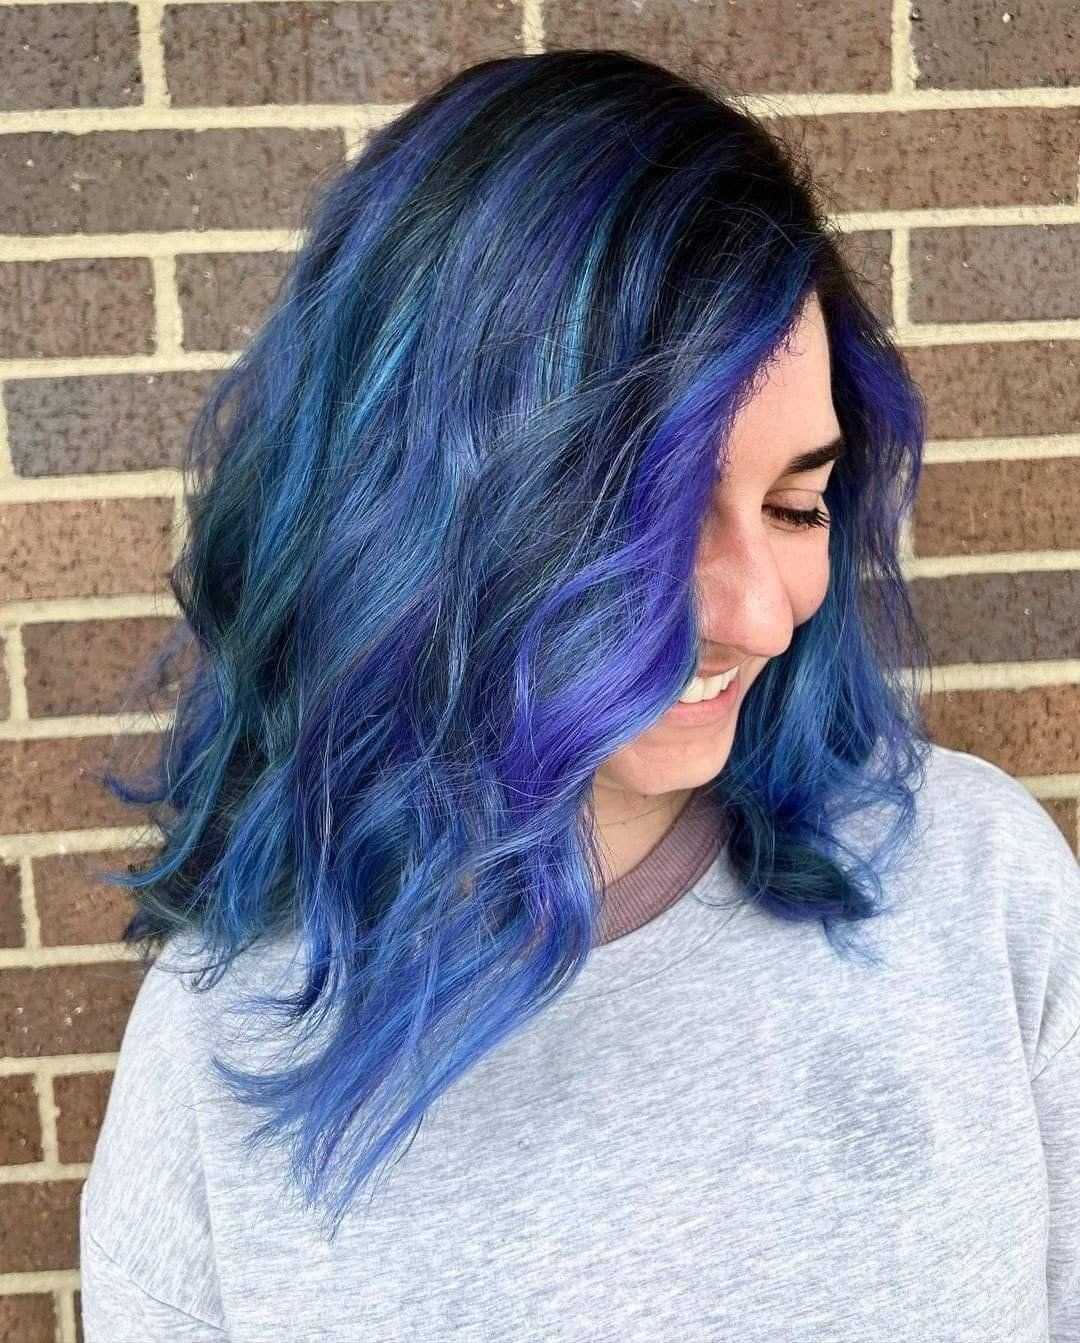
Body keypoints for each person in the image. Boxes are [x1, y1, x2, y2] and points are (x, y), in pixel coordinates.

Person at [78, 49, 1080, 1341]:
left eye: (796, 504)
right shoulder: (236, 1029)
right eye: (650, 522)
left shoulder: (983, 892)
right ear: (424, 517)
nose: (764, 612)